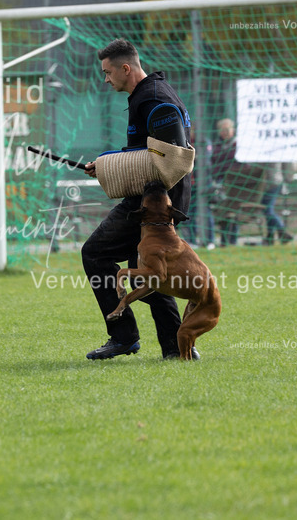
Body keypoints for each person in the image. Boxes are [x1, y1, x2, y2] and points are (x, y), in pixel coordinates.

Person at [81, 38, 195, 360]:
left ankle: (123, 336)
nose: (106, 79)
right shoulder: (146, 95)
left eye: (107, 72)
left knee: (94, 253)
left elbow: (172, 159)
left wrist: (113, 165)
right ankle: (177, 349)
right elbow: (146, 153)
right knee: (145, 271)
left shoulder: (155, 100)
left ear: (125, 68)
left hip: (154, 205)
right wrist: (107, 166)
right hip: (151, 202)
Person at [210, 118, 240, 246]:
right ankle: (224, 240)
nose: (225, 132)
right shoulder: (216, 145)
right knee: (222, 210)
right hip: (219, 182)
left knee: (233, 211)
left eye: (228, 129)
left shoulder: (238, 145)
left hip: (236, 182)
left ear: (233, 130)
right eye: (222, 130)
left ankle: (232, 240)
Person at [260, 162, 295, 245]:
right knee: (267, 209)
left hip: (270, 182)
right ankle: (270, 237)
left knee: (267, 210)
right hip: (275, 181)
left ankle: (282, 231)